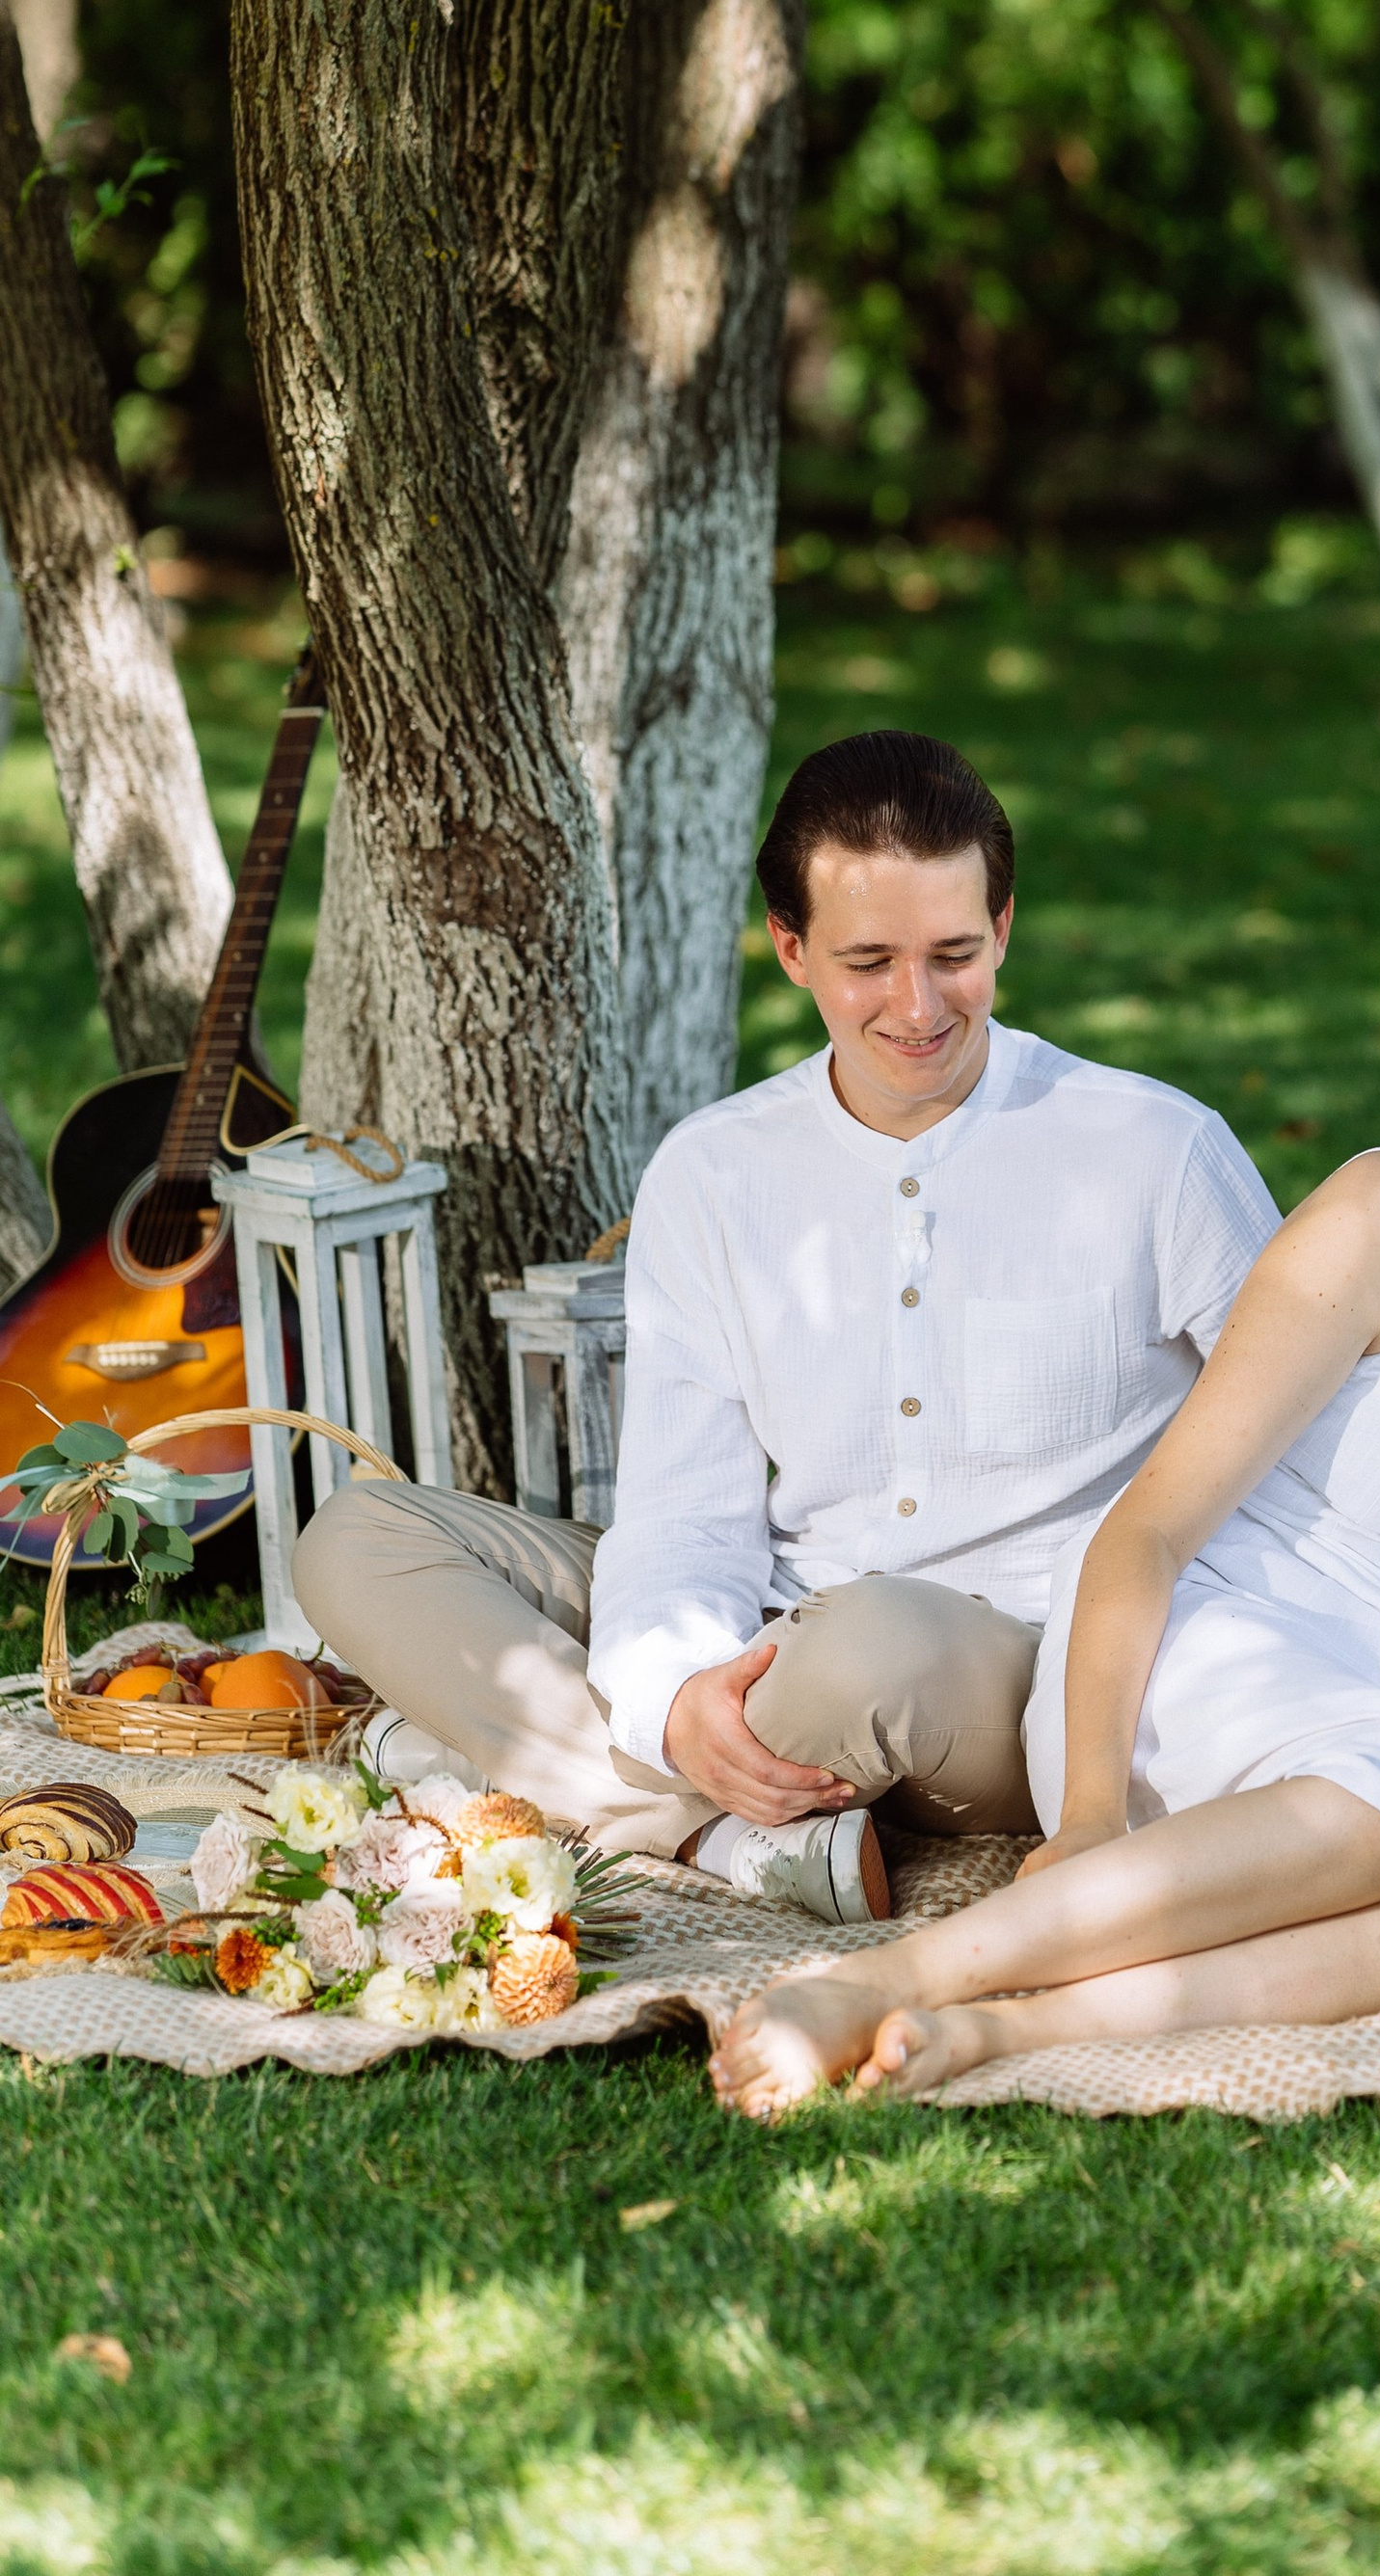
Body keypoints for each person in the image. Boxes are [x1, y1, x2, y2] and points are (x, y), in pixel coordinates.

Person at [707, 872, 1380, 2117]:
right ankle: (872, 1983)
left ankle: (992, 2032)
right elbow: (1148, 1531)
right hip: (1212, 1650)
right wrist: (1089, 1811)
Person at [294, 730, 1281, 1919]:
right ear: (791, 949)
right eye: (869, 960)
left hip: (1036, 1676)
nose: (918, 1007)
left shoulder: (1155, 1151)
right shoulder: (714, 1171)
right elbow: (682, 1506)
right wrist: (672, 1696)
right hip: (782, 1619)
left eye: (955, 954)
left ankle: (509, 1762)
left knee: (872, 1646)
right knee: (357, 1538)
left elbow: (1328, 1447)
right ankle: (721, 1831)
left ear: (1004, 929)